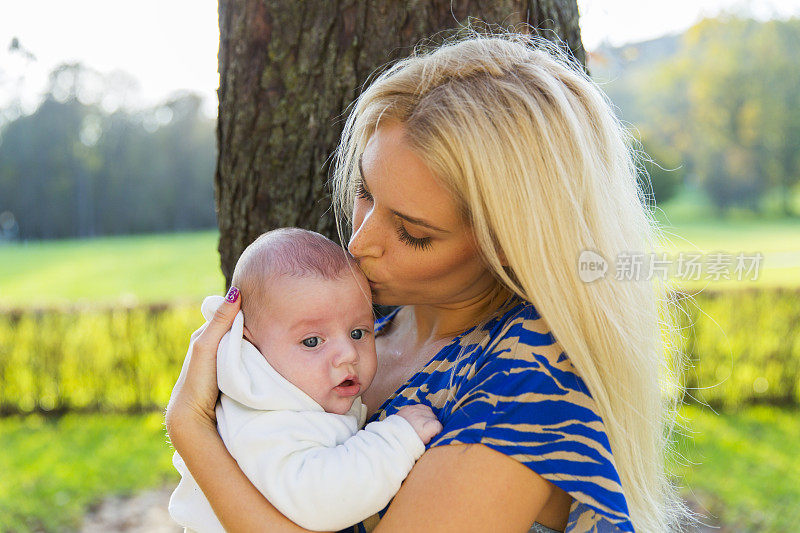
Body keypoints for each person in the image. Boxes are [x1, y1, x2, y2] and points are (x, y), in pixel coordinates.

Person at [166, 30, 694, 532]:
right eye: (365, 192)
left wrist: (190, 428)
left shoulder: (523, 384)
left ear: (508, 244)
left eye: (413, 232)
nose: (359, 244)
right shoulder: (372, 315)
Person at [168, 228, 442, 532]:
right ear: (251, 345)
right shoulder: (263, 420)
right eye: (312, 342)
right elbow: (322, 500)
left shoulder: (287, 394)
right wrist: (396, 440)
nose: (348, 354)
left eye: (358, 332)